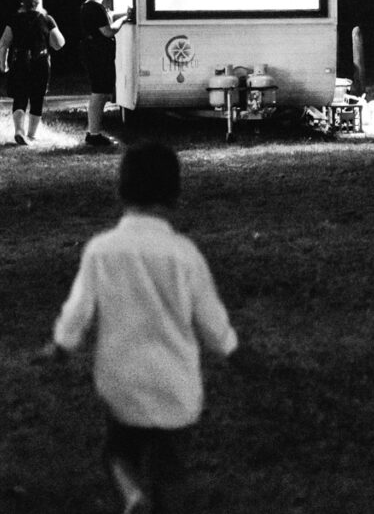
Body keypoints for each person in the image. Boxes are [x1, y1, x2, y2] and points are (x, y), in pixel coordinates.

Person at [41, 142, 238, 513]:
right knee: (172, 470)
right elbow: (210, 318)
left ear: (120, 191)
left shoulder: (101, 250)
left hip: (123, 383)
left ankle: (132, 494)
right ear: (176, 196)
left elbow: (79, 310)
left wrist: (62, 346)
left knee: (118, 451)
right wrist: (231, 347)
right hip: (175, 385)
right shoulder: (185, 255)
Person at [0, 0, 64, 145]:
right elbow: (59, 44)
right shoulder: (47, 19)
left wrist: (3, 63)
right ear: (39, 1)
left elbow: (3, 44)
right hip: (40, 61)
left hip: (19, 61)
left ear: (23, 2)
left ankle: (19, 131)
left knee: (20, 97)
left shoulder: (14, 19)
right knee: (37, 98)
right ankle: (32, 135)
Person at [78, 0, 130, 147]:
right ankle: (94, 134)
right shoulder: (95, 8)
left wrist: (124, 13)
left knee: (99, 93)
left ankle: (93, 132)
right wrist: (124, 20)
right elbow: (108, 31)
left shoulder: (89, 6)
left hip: (93, 55)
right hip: (98, 56)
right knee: (99, 94)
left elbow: (109, 15)